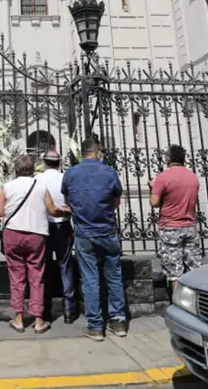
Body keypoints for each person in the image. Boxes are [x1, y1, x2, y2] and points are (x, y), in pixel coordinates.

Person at [0, 154, 69, 335]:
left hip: (13, 233)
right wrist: (66, 212)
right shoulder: (41, 186)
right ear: (33, 169)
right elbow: (52, 210)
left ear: (15, 169)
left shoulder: (8, 187)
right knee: (37, 276)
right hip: (36, 233)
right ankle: (38, 319)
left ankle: (18, 318)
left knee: (16, 276)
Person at [62, 138, 127, 341]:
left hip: (84, 232)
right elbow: (116, 201)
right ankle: (118, 321)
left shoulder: (71, 173)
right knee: (114, 276)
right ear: (97, 151)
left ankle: (96, 325)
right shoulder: (109, 172)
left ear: (82, 152)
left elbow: (68, 201)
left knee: (90, 279)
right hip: (106, 229)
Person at [150, 144, 201, 292]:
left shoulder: (163, 177)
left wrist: (153, 187)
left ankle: (178, 300)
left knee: (174, 272)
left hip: (170, 227)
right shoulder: (193, 177)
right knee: (194, 268)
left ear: (168, 159)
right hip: (190, 226)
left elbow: (154, 202)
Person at [36, 149, 77, 324]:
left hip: (44, 225)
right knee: (65, 266)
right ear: (59, 162)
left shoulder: (38, 179)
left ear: (44, 162)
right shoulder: (65, 178)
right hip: (63, 223)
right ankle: (69, 310)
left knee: (43, 268)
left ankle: (45, 310)